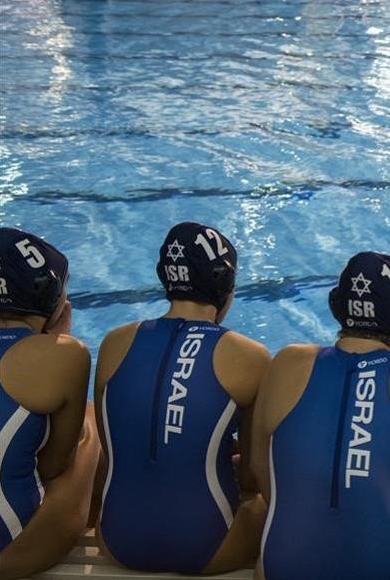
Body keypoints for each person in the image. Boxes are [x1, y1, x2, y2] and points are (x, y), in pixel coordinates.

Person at [252, 252, 390, 579]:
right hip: (388, 567)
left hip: (284, 566)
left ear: (337, 306)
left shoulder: (286, 363)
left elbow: (260, 466)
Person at [94, 222, 269, 574]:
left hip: (116, 541)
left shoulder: (115, 342)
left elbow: (114, 447)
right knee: (274, 500)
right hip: (207, 550)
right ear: (226, 287)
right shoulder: (250, 356)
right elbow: (252, 477)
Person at [0, 229, 98, 580]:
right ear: (54, 299)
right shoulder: (64, 355)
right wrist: (61, 338)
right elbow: (57, 464)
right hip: (13, 548)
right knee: (93, 426)